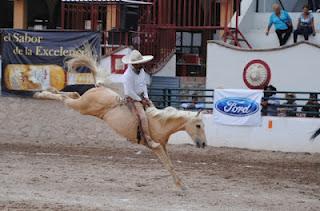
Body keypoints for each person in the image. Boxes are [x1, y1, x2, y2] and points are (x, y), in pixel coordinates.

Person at [122, 50, 160, 149]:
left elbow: (143, 85)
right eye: (139, 63)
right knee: (142, 117)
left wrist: (146, 97)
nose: (141, 64)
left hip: (141, 96)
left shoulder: (141, 71)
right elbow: (129, 92)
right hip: (132, 98)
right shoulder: (127, 75)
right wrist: (140, 100)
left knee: (154, 111)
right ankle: (148, 140)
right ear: (134, 64)